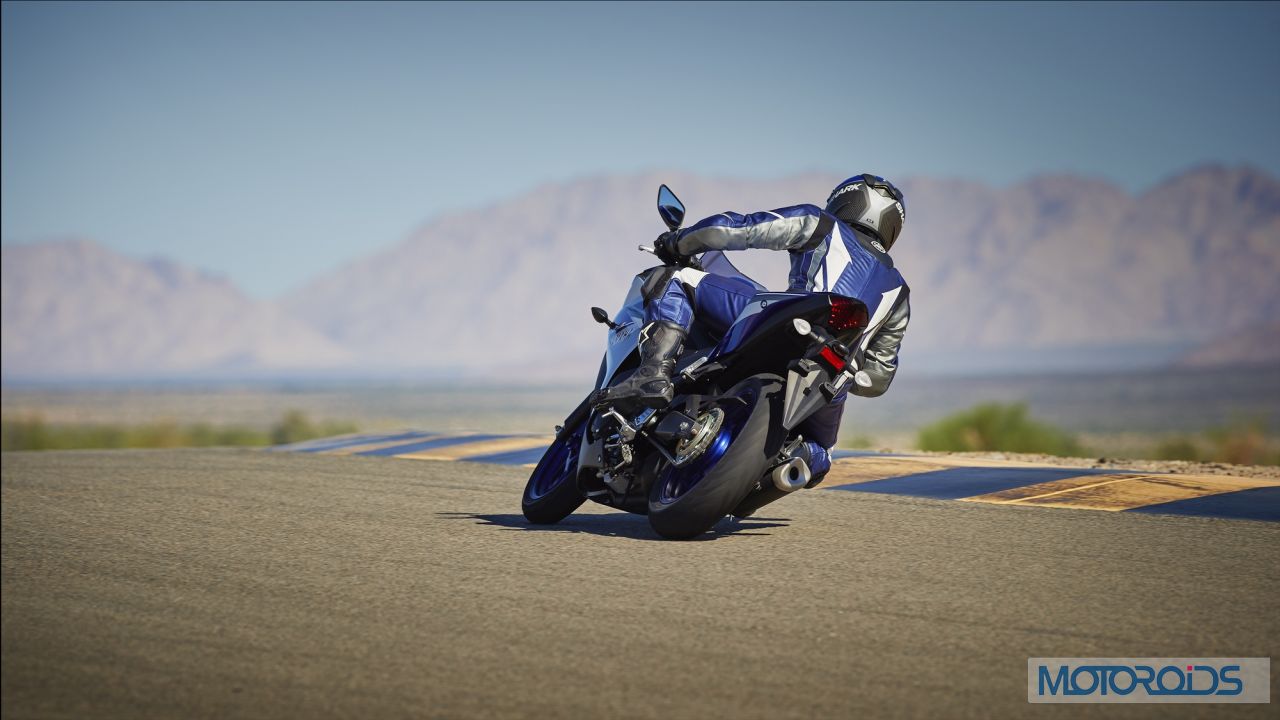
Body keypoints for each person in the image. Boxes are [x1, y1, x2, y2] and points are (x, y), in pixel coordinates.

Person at [592, 174, 911, 484]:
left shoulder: (821, 224)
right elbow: (877, 379)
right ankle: (793, 462)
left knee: (678, 280)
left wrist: (679, 241)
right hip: (833, 378)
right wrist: (847, 369)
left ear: (846, 201)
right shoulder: (899, 292)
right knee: (821, 452)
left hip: (790, 326)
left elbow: (736, 230)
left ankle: (653, 375)